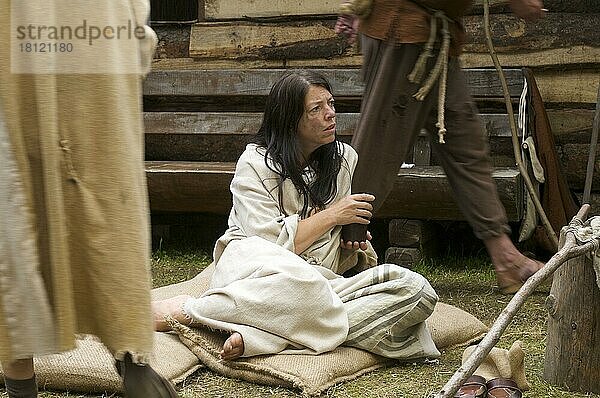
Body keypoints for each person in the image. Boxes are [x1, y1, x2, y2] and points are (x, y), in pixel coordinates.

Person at [152, 70, 441, 362]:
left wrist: (349, 245)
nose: (330, 114)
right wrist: (331, 217)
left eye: (331, 103)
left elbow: (331, 247)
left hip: (322, 283)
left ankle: (263, 332)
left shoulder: (343, 160)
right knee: (301, 283)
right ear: (290, 120)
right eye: (317, 109)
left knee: (415, 290)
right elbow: (266, 245)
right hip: (259, 274)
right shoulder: (254, 164)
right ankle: (196, 312)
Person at [0, 2, 176, 397]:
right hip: (96, 41)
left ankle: (22, 388)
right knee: (105, 204)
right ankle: (130, 356)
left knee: (16, 220)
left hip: (18, 46)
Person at [334, 0, 546, 294]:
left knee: (466, 147)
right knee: (376, 155)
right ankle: (333, 257)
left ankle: (506, 259)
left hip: (432, 35)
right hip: (402, 31)